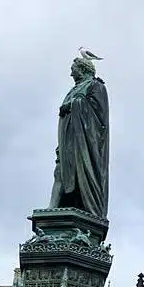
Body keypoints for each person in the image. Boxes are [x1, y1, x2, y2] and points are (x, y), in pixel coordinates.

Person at [48, 54, 109, 218]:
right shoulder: (75, 89)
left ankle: (83, 206)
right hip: (68, 139)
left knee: (79, 172)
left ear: (82, 69)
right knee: (60, 170)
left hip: (84, 143)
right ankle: (53, 208)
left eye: (72, 70)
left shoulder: (96, 86)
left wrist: (73, 105)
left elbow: (99, 116)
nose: (71, 74)